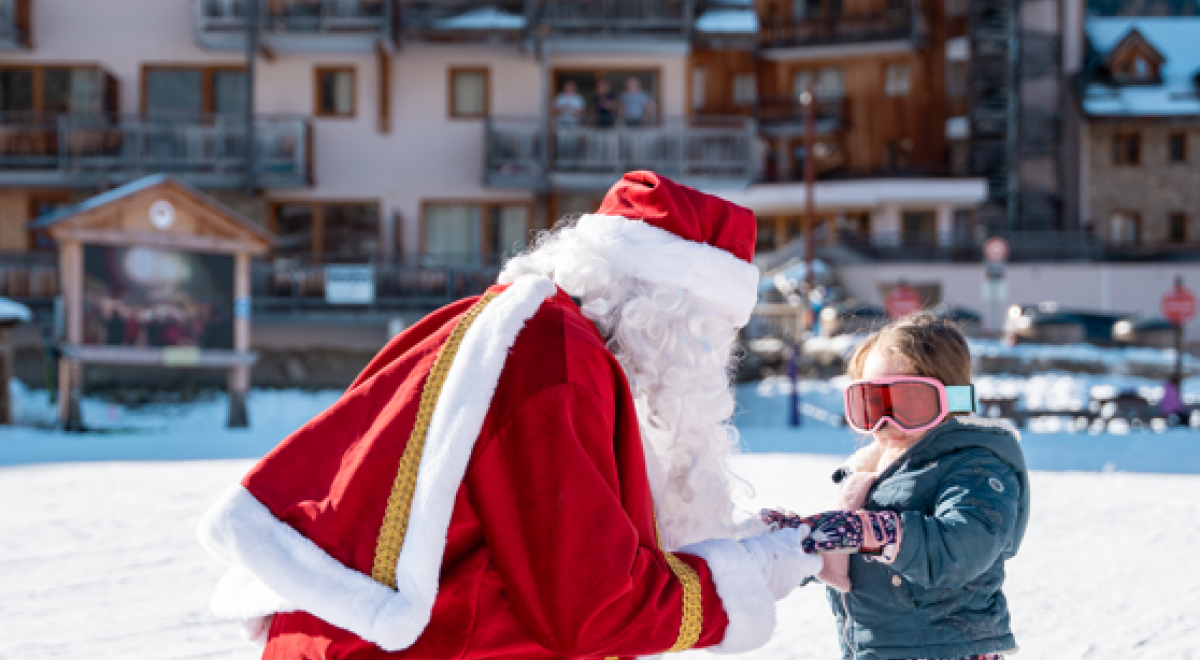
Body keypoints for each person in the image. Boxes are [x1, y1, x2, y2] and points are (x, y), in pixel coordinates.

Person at [197, 171, 822, 660]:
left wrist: (741, 544)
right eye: (710, 334)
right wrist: (757, 571)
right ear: (669, 310)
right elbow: (592, 605)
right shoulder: (557, 359)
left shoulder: (526, 329)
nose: (712, 360)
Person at [765, 313, 1029, 660]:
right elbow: (856, 553)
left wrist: (875, 532)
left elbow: (964, 545)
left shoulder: (974, 465)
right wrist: (799, 540)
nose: (887, 422)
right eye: (873, 405)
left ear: (951, 399)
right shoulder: (869, 476)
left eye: (910, 404)